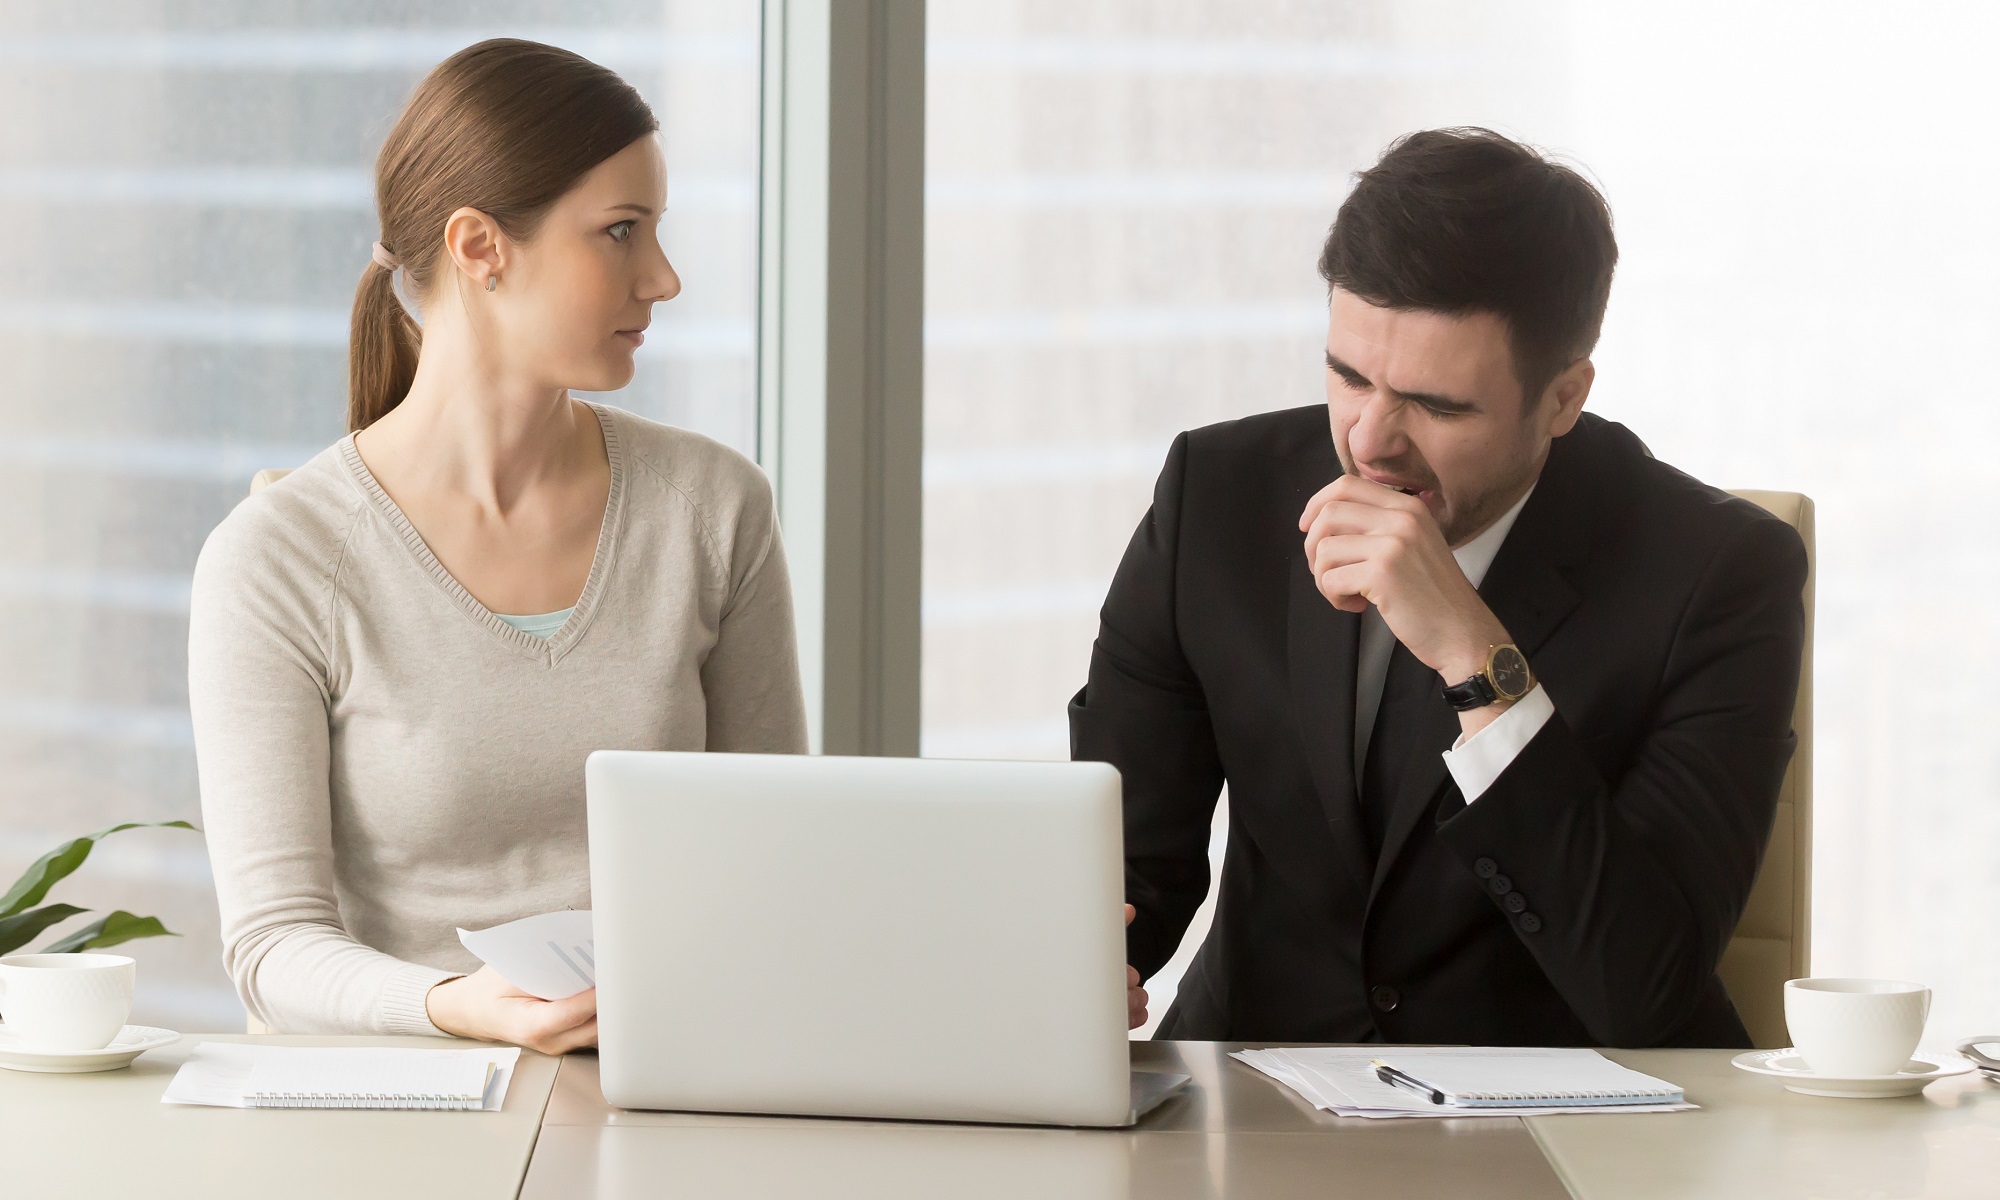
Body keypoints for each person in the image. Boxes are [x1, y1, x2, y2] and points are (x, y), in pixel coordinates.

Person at [1082, 128, 1807, 1048]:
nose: (1370, 440)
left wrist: (1476, 660)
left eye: (1436, 404)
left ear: (1562, 399)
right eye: (1348, 376)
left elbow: (1646, 987)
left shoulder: (1722, 574)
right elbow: (1122, 867)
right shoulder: (1214, 498)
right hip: (1258, 1104)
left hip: (1570, 1135)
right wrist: (1088, 966)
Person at [187, 39, 806, 1054]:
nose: (663, 278)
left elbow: (782, 864)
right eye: (619, 232)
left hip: (674, 1089)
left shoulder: (713, 508)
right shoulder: (279, 559)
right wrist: (456, 1005)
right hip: (400, 1115)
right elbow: (273, 945)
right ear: (480, 247)